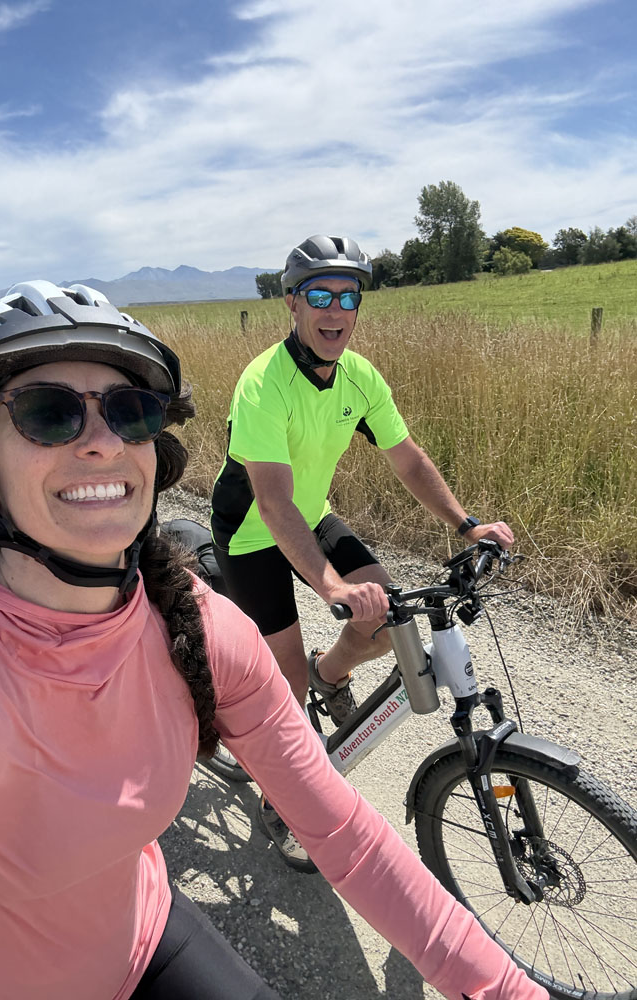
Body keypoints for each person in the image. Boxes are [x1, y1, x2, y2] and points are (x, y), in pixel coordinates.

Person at [0, 280, 543, 1000]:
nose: (104, 444)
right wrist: (327, 586)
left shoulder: (193, 623)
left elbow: (351, 838)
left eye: (132, 413)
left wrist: (506, 989)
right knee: (287, 657)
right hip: (256, 529)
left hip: (142, 934)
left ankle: (315, 696)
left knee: (357, 634)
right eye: (50, 414)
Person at [211, 235, 514, 870]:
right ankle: (281, 794)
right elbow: (271, 503)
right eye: (320, 295)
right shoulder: (262, 383)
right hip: (251, 533)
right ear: (292, 304)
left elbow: (407, 458)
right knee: (285, 686)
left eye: (348, 297)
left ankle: (333, 672)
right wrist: (330, 588)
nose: (335, 311)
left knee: (388, 618)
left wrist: (467, 526)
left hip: (311, 516)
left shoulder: (360, 376)